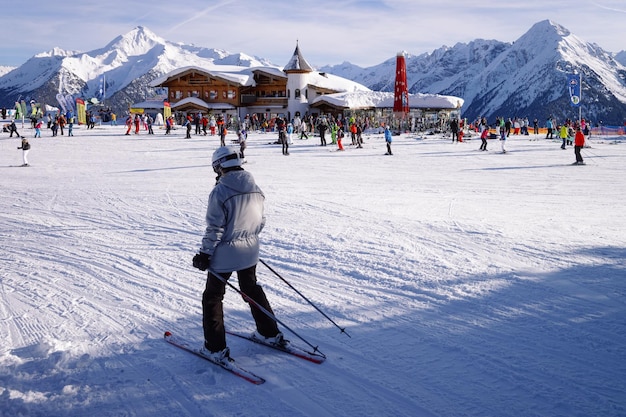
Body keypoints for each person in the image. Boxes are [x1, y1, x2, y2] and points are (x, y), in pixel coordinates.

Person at [192, 146, 284, 361]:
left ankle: (214, 347)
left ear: (218, 166)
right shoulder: (256, 188)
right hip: (250, 250)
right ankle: (269, 332)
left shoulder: (220, 191)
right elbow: (260, 221)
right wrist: (247, 236)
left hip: (224, 254)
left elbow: (215, 228)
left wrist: (204, 254)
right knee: (251, 289)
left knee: (213, 297)